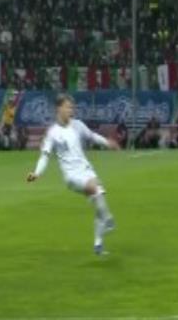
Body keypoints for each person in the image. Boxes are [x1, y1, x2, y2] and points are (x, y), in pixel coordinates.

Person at [27, 94, 120, 255]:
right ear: (59, 109)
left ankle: (98, 244)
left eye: (72, 107)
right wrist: (36, 173)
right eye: (68, 107)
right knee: (95, 189)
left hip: (86, 169)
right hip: (71, 176)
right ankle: (109, 220)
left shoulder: (78, 125)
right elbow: (45, 156)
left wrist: (107, 143)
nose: (71, 110)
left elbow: (92, 136)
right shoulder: (52, 133)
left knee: (98, 198)